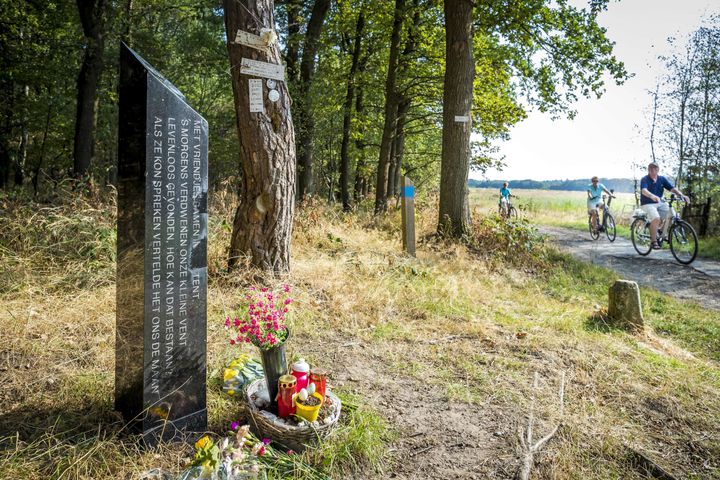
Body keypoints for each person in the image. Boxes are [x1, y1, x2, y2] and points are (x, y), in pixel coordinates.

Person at [640, 162, 690, 249]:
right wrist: (652, 196)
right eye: (650, 168)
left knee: (672, 216)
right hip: (647, 203)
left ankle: (660, 232)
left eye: (654, 168)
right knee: (656, 218)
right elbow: (644, 190)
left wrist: (682, 195)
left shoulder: (662, 179)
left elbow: (672, 188)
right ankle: (653, 241)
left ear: (658, 170)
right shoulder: (645, 179)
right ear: (648, 170)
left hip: (660, 202)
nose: (652, 170)